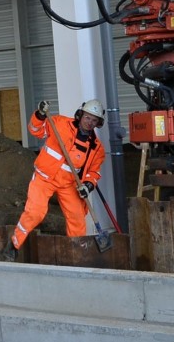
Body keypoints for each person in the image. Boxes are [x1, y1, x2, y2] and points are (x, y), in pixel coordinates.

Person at [11, 98, 107, 248]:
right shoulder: (60, 123)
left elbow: (94, 172)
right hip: (44, 178)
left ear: (98, 123)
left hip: (69, 184)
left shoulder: (97, 149)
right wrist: (40, 115)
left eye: (94, 120)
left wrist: (87, 185)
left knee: (77, 218)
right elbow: (36, 130)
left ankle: (76, 253)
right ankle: (14, 245)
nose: (89, 122)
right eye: (87, 117)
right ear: (80, 115)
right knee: (35, 213)